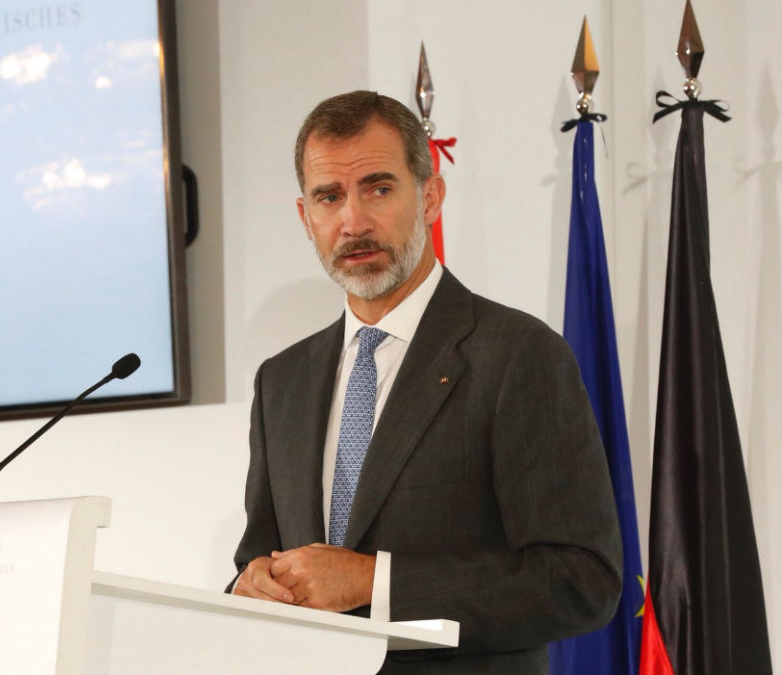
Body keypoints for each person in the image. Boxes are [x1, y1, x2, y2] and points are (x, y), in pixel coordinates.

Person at [229, 90, 622, 674]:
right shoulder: (281, 381)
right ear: (304, 215)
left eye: (379, 188)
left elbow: (581, 581)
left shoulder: (517, 353)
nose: (353, 221)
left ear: (431, 196)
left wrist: (373, 580)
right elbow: (259, 555)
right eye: (329, 197)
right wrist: (249, 584)